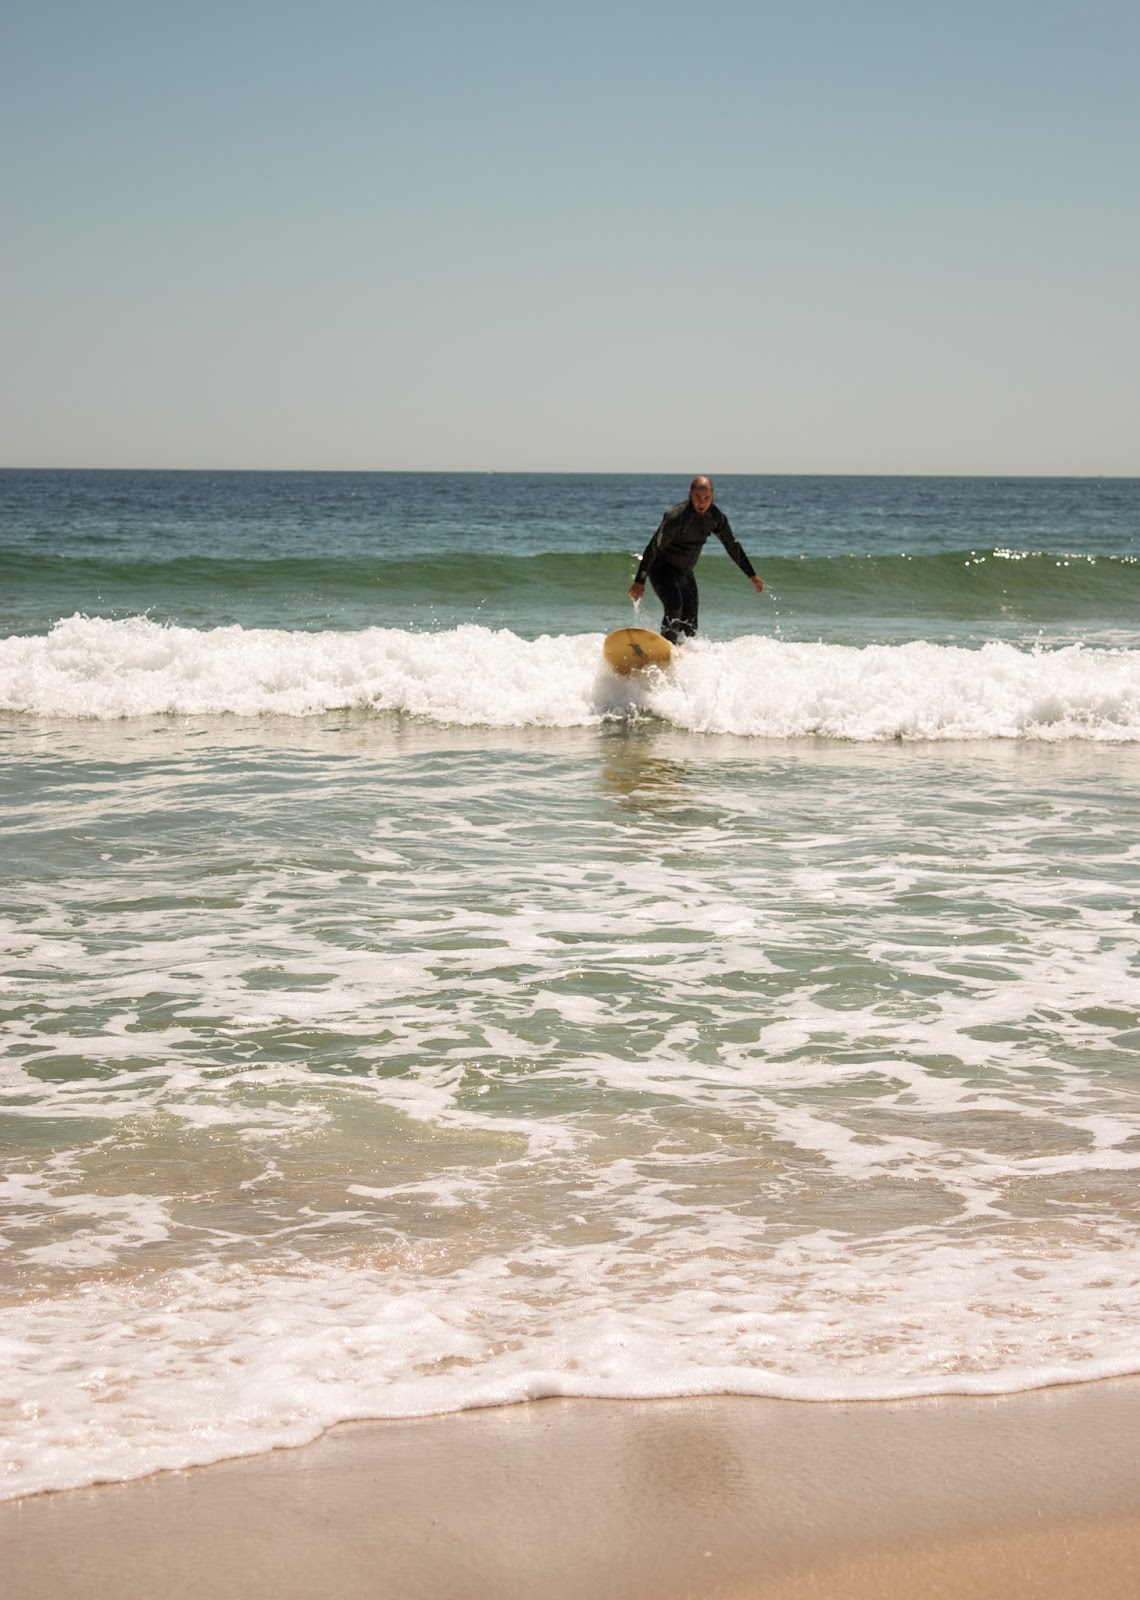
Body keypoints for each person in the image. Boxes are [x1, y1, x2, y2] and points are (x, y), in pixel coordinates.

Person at [627, 476, 764, 644]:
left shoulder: (716, 517)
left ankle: (682, 654)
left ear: (712, 496)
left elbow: (732, 546)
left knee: (691, 622)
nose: (702, 502)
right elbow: (653, 547)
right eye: (697, 497)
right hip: (662, 567)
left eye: (706, 498)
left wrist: (752, 575)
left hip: (685, 571)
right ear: (690, 494)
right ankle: (666, 648)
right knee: (675, 607)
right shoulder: (676, 517)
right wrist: (639, 581)